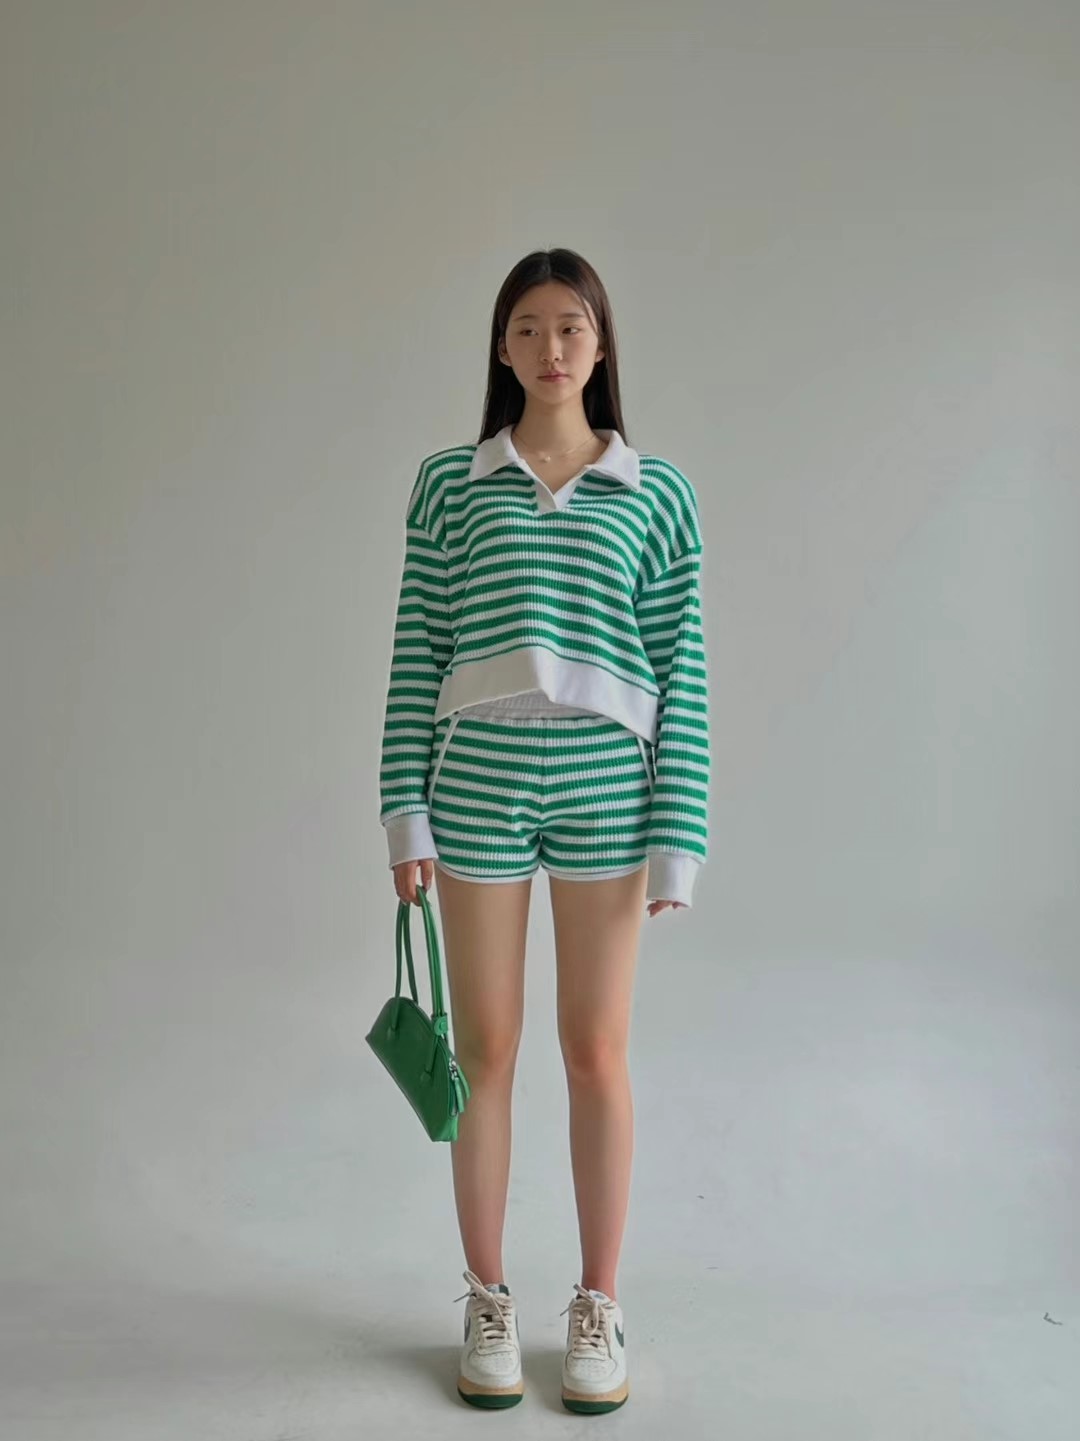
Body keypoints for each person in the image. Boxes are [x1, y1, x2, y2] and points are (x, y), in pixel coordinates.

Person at [377, 247, 709, 1413]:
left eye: (571, 325)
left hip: (610, 787)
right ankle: (488, 1297)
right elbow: (418, 648)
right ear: (502, 347)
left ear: (600, 345)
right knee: (485, 1050)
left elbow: (682, 667)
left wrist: (680, 833)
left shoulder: (656, 490)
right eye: (528, 326)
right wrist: (403, 810)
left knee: (595, 1049)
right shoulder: (451, 483)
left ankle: (599, 1303)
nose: (551, 346)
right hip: (476, 778)